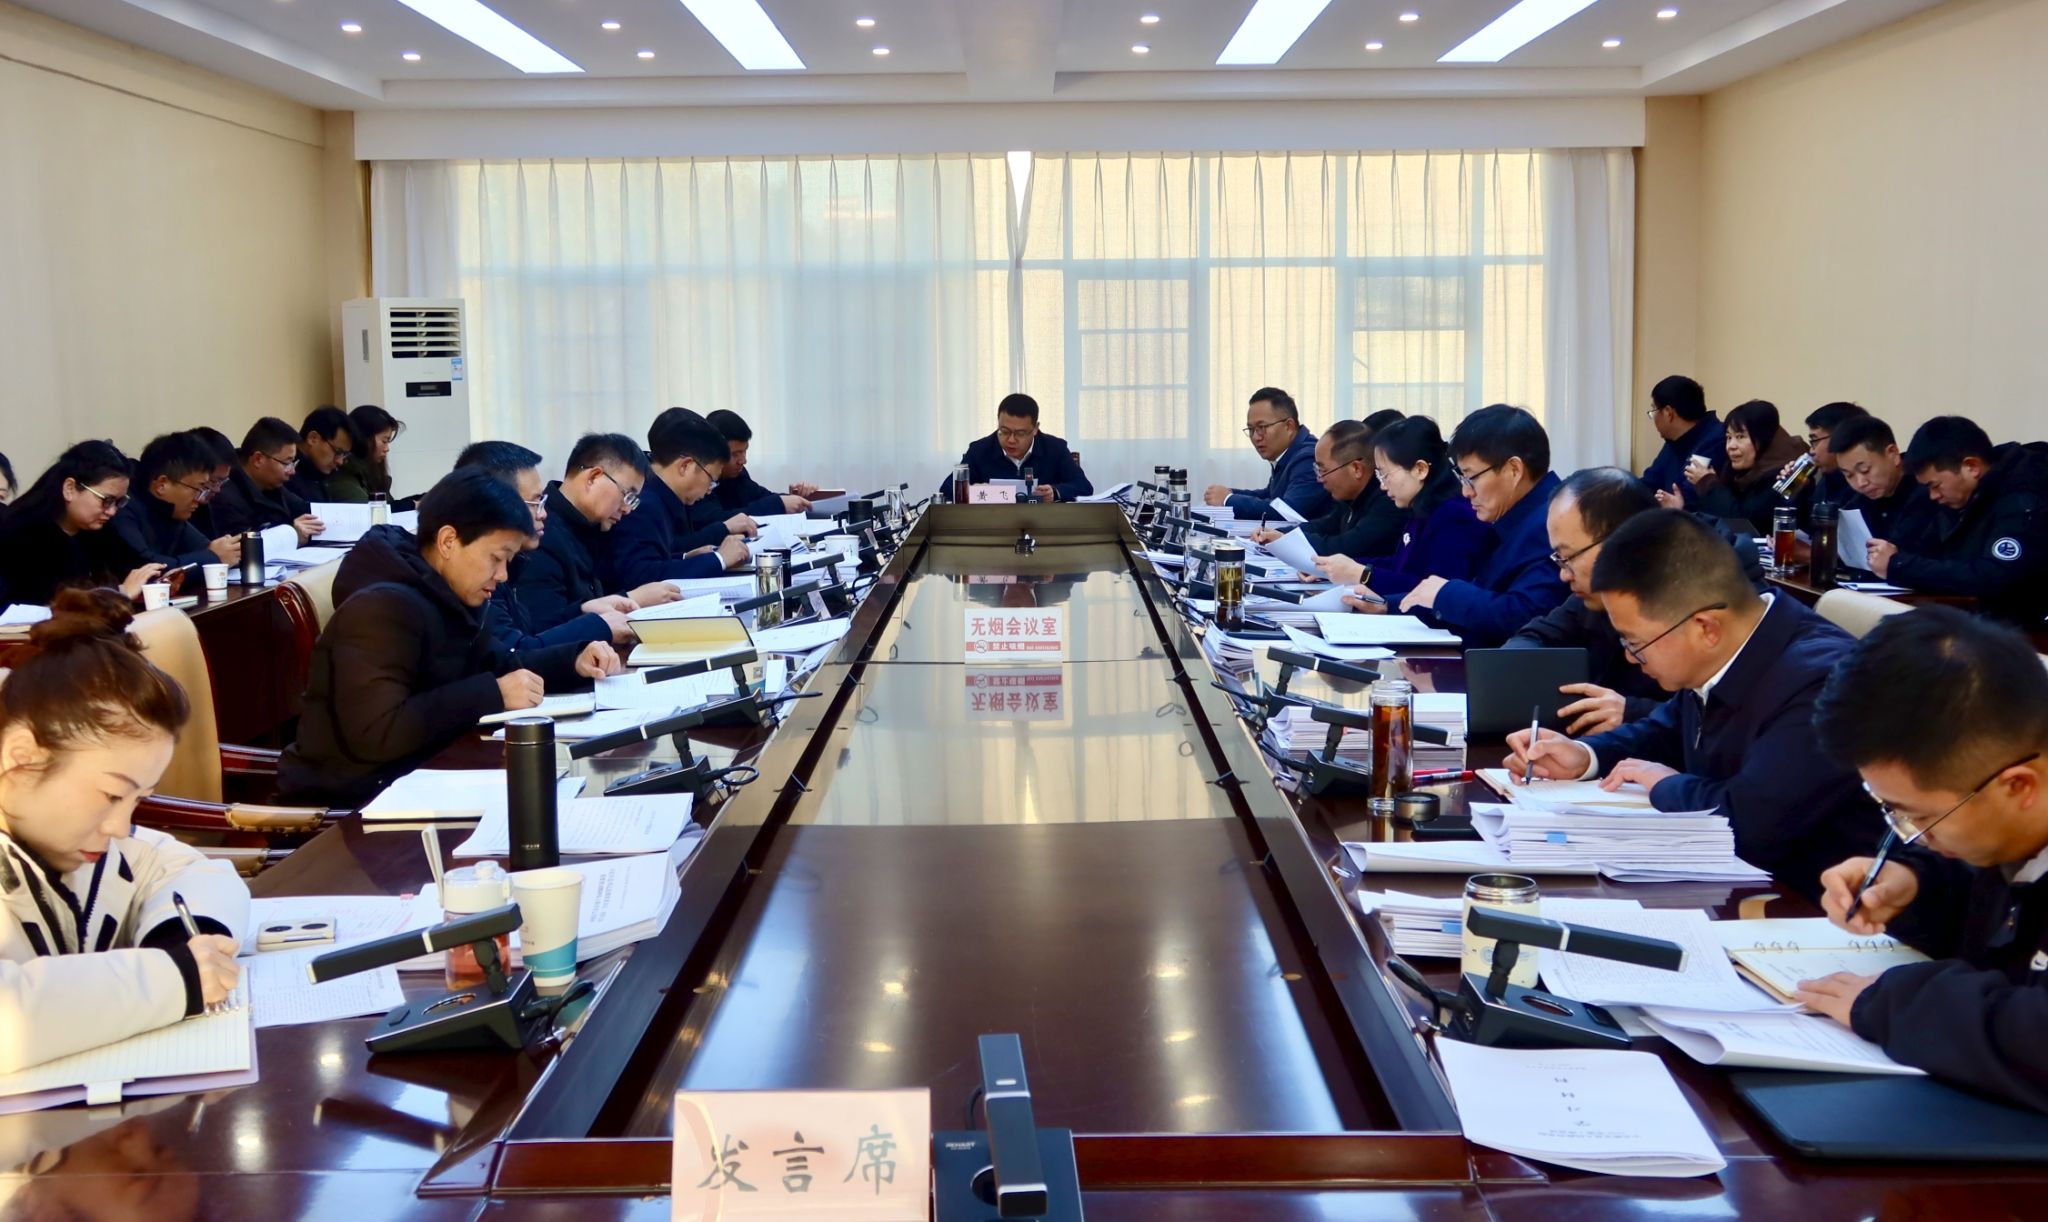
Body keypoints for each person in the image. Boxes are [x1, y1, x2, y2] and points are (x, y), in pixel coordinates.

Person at [1505, 509, 1882, 891]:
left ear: (1706, 628)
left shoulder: (1822, 682)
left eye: (1635, 642)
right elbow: (1668, 729)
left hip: (1813, 903)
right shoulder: (1736, 643)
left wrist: (1665, 785)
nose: (1630, 658)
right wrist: (1586, 756)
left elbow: (1749, 822)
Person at [1800, 607, 2048, 1111]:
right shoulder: (2003, 825)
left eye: (1920, 815)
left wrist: (1890, 1005)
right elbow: (2000, 911)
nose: (1915, 834)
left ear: (2019, 785)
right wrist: (1916, 885)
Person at [0, 589, 249, 1073]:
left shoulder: (76, 843)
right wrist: (171, 978)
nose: (120, 827)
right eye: (112, 794)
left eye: (139, 800)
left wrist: (182, 940)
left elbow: (191, 868)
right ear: (21, 758)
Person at [278, 468, 622, 807]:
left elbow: (503, 663)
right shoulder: (381, 609)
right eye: (496, 558)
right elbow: (377, 734)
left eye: (508, 561)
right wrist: (492, 693)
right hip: (356, 803)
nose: (502, 575)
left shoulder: (453, 593)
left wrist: (573, 659)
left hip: (428, 776)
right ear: (447, 542)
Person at [1373, 405, 1568, 646]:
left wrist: (1447, 593)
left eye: (1471, 477)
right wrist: (1388, 605)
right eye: (1461, 478)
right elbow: (1483, 595)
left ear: (1514, 470)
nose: (1465, 492)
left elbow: (1526, 614)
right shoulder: (1520, 518)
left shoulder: (1553, 521)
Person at [453, 440, 664, 654]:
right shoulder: (540, 542)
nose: (543, 514)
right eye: (535, 503)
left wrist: (584, 611)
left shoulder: (588, 529)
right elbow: (518, 650)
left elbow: (527, 633)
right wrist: (601, 625)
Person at [1502, 468, 1667, 736]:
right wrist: (1513, 668)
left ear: (1621, 541)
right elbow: (1533, 636)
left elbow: (1712, 718)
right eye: (1558, 559)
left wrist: (1634, 712)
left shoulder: (1690, 602)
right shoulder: (1592, 600)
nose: (1563, 574)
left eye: (1568, 557)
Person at [1874, 416, 2048, 626]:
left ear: (1971, 467)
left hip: (2026, 629)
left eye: (1935, 485)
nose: (1933, 495)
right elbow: (1926, 550)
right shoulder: (1964, 496)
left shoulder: (2023, 499)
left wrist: (1899, 565)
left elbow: (1992, 577)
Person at [1314, 416, 1491, 609]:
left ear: (1420, 469)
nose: (1382, 486)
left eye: (1385, 474)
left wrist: (1362, 574)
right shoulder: (1422, 507)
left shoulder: (1454, 516)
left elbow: (1436, 593)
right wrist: (1335, 567)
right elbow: (1400, 564)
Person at [514, 433, 662, 631]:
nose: (627, 509)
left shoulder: (595, 527)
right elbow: (543, 627)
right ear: (593, 478)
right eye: (627, 495)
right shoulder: (541, 534)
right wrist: (630, 599)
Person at [602, 409, 752, 592]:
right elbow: (640, 577)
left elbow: (658, 556)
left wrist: (685, 557)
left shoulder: (661, 495)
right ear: (685, 466)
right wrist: (719, 559)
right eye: (711, 480)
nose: (709, 490)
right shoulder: (643, 503)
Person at [0, 441, 159, 606]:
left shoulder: (99, 530)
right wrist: (120, 594)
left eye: (119, 502)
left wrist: (161, 576)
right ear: (70, 488)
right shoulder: (22, 535)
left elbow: (133, 566)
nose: (112, 511)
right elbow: (43, 606)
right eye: (107, 500)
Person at [110, 432, 242, 573]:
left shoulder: (171, 509)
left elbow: (206, 547)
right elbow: (146, 566)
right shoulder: (122, 507)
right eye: (198, 489)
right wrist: (213, 558)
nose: (199, 498)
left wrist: (228, 550)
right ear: (162, 484)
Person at [937, 393, 1093, 504]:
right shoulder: (979, 450)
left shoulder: (1055, 448)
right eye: (1004, 431)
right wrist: (972, 491)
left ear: (1035, 429)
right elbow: (947, 489)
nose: (1011, 440)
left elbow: (1084, 486)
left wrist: (1055, 492)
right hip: (994, 526)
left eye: (1020, 433)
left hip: (1044, 526)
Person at [1204, 388, 1330, 520]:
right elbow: (1270, 495)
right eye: (1251, 429)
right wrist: (1230, 493)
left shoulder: (1308, 458)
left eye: (1262, 427)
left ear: (1289, 426)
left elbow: (1287, 511)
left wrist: (1228, 499)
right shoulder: (1289, 453)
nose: (1256, 437)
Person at [1685, 399, 1805, 533]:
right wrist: (1681, 509)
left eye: (1740, 436)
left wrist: (1708, 483)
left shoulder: (1788, 473)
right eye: (1729, 437)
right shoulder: (1737, 472)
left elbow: (1745, 523)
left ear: (1764, 439)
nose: (1731, 446)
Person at [1827, 415, 1942, 551]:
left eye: (1865, 470)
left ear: (1893, 454)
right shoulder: (1856, 502)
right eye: (1849, 475)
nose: (1860, 483)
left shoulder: (1928, 492)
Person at [208, 417, 324, 544]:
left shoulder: (272, 485)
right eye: (286, 463)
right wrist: (291, 535)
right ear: (258, 459)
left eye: (293, 463)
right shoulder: (225, 498)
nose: (292, 471)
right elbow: (245, 547)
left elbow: (305, 509)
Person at [705, 409, 814, 516]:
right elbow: (718, 518)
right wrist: (779, 504)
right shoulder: (702, 481)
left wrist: (798, 498)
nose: (743, 461)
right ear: (714, 452)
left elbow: (761, 497)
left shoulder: (738, 474)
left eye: (744, 451)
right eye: (735, 454)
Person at [1643, 375, 1724, 510]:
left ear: (1668, 413)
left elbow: (1688, 500)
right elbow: (1650, 482)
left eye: (1654, 410)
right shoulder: (1674, 440)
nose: (1653, 418)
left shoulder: (1714, 439)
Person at [325, 405, 409, 506]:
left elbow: (389, 505)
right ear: (365, 439)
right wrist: (412, 504)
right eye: (384, 441)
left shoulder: (371, 472)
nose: (387, 449)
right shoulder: (343, 472)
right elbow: (367, 509)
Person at [283, 406, 355, 504]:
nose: (340, 461)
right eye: (338, 452)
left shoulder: (318, 475)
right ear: (313, 438)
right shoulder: (285, 475)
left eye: (344, 455)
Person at [184, 427, 237, 539]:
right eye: (213, 481)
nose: (217, 489)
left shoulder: (216, 504)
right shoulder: (177, 509)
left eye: (222, 481)